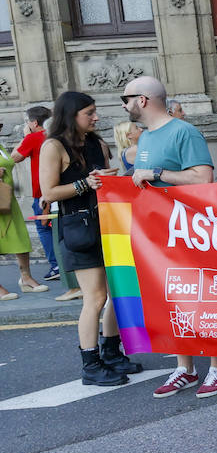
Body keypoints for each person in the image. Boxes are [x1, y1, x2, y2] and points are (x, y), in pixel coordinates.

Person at [124, 76, 217, 396]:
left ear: (143, 100)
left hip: (190, 230)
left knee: (201, 298)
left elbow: (202, 177)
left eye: (126, 98)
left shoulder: (184, 132)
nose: (124, 105)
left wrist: (156, 174)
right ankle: (185, 368)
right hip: (160, 232)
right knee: (172, 299)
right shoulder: (145, 138)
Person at [37, 91, 142, 385]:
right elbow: (49, 193)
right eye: (90, 113)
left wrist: (111, 178)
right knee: (95, 298)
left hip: (107, 224)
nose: (96, 117)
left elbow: (105, 178)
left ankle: (111, 352)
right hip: (78, 227)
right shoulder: (53, 146)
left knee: (116, 293)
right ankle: (90, 363)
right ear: (71, 116)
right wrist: (86, 183)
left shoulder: (96, 142)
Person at [9, 105, 58, 285]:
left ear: (34, 122)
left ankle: (56, 265)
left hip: (43, 192)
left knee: (43, 227)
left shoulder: (34, 137)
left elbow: (13, 158)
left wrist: (25, 136)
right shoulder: (56, 134)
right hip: (62, 188)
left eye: (27, 122)